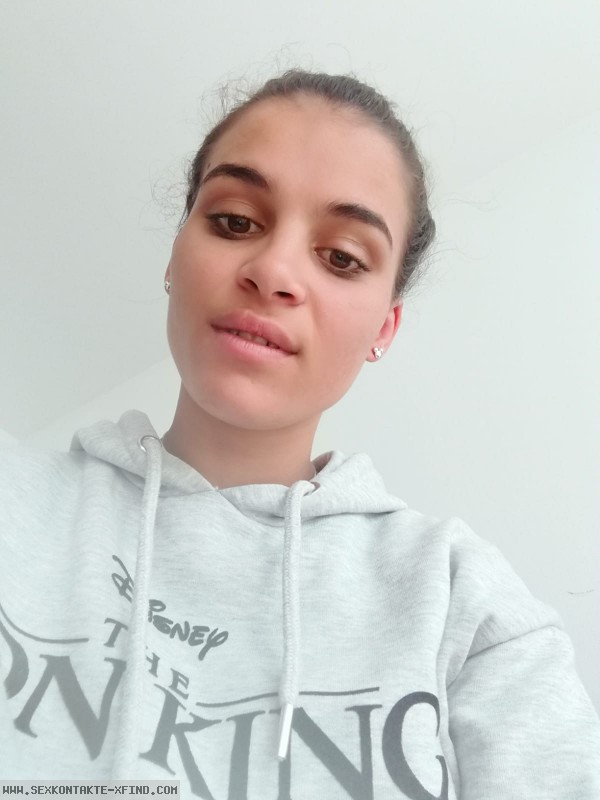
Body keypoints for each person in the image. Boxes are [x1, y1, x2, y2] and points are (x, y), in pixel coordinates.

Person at [1, 69, 599, 798]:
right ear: (173, 257)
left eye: (342, 257)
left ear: (384, 328)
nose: (273, 271)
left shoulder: (463, 601)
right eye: (234, 221)